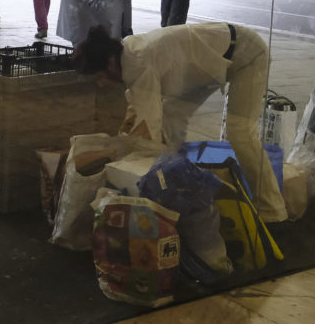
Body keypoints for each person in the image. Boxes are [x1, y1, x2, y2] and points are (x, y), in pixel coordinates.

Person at [74, 23, 286, 222]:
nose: (101, 84)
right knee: (172, 114)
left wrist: (133, 167)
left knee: (240, 131)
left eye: (99, 76)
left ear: (110, 64)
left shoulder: (136, 62)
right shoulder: (128, 52)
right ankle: (177, 179)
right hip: (211, 62)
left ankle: (273, 210)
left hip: (247, 54)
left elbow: (149, 126)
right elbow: (144, 113)